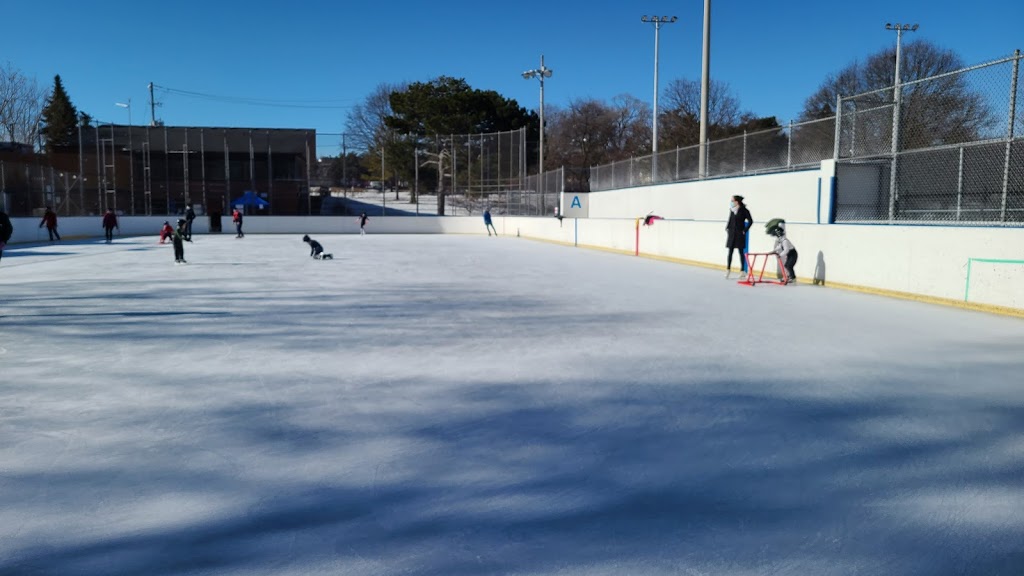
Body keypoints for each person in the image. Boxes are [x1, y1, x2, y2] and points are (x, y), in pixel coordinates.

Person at [725, 195, 752, 278]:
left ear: (737, 201)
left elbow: (751, 221)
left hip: (740, 234)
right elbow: (730, 220)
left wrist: (745, 230)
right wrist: (727, 227)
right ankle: (728, 269)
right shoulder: (732, 210)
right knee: (730, 252)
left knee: (741, 252)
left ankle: (742, 270)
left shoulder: (744, 210)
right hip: (732, 234)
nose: (731, 202)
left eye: (732, 200)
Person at [766, 218, 798, 284]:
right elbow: (779, 247)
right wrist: (773, 251)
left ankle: (793, 278)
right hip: (790, 254)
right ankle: (789, 276)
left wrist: (780, 255)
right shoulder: (782, 240)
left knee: (789, 265)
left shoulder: (785, 241)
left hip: (793, 254)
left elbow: (786, 250)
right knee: (787, 265)